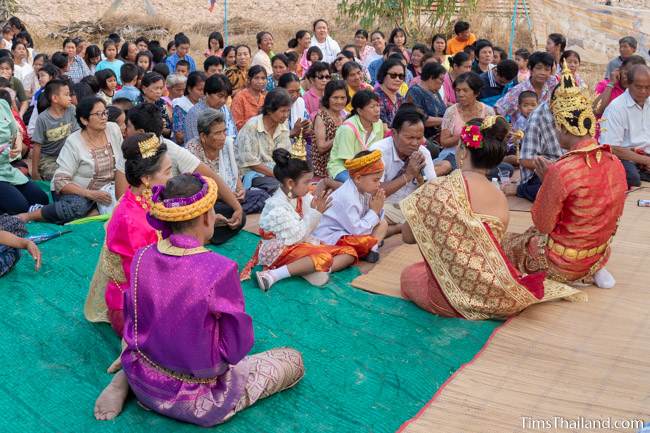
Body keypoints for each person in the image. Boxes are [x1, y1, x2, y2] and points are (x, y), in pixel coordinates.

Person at [94, 173, 304, 425]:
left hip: (144, 380)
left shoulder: (142, 257)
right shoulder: (220, 268)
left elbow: (134, 323)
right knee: (293, 359)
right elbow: (235, 348)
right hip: (197, 397)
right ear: (206, 217)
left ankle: (124, 379)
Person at [400, 115, 582, 319]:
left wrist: (424, 203)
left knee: (410, 274)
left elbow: (407, 237)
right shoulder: (500, 197)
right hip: (491, 294)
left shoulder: (437, 188)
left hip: (445, 298)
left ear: (462, 151)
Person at [503, 66, 627, 289]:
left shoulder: (563, 169)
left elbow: (542, 223)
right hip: (597, 251)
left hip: (560, 262)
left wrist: (547, 182)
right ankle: (594, 268)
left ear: (561, 126)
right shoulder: (614, 161)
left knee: (509, 243)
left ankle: (570, 274)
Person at [85, 133, 171, 334]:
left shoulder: (147, 198)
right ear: (146, 178)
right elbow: (142, 280)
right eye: (167, 172)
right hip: (132, 308)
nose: (171, 177)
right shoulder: (130, 219)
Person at [242, 148, 355, 289]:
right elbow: (297, 237)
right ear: (290, 183)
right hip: (280, 251)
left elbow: (309, 227)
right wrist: (315, 213)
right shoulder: (276, 206)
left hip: (300, 246)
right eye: (306, 182)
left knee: (349, 252)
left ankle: (310, 268)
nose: (310, 187)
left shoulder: (301, 196)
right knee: (324, 257)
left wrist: (316, 210)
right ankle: (273, 275)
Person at [20, 97, 122, 224]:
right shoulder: (74, 142)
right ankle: (31, 215)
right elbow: (61, 181)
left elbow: (123, 162)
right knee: (77, 207)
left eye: (105, 112)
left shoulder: (113, 129)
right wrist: (90, 194)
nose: (104, 117)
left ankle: (92, 211)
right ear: (84, 120)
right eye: (98, 114)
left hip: (108, 190)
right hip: (77, 191)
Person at [370, 106, 451, 234]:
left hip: (411, 208)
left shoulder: (423, 153)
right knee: (367, 221)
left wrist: (419, 177)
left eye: (419, 138)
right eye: (409, 138)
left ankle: (405, 227)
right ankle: (402, 228)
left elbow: (431, 191)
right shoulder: (378, 152)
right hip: (384, 206)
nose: (415, 143)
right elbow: (373, 192)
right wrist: (408, 176)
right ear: (394, 133)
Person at [188, 108, 268, 216]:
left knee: (262, 196)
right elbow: (198, 189)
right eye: (217, 133)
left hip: (232, 196)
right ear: (203, 136)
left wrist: (241, 190)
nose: (223, 137)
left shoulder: (228, 145)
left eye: (224, 131)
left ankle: (234, 212)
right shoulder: (192, 151)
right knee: (206, 211)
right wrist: (226, 196)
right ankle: (234, 212)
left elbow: (236, 174)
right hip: (211, 200)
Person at [313, 149, 388, 263]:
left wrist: (376, 209)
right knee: (351, 245)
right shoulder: (347, 197)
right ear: (358, 178)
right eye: (376, 180)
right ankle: (368, 248)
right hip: (333, 236)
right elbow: (357, 231)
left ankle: (372, 248)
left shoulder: (365, 190)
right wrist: (374, 212)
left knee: (383, 223)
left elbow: (370, 221)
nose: (379, 184)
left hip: (354, 230)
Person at [600, 65, 650, 188]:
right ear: (628, 84)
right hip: (624, 157)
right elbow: (611, 148)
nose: (643, 91)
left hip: (646, 155)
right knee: (632, 177)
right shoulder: (616, 108)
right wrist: (645, 161)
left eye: (648, 87)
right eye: (639, 87)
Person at [236, 88, 292, 192]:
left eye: (288, 111)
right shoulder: (252, 127)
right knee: (279, 187)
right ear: (270, 111)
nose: (286, 115)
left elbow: (285, 154)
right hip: (253, 173)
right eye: (282, 111)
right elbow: (251, 163)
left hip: (276, 172)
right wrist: (278, 176)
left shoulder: (283, 124)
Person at [0, 98, 48, 215]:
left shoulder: (2, 104)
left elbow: (15, 130)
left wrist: (17, 143)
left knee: (41, 199)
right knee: (19, 207)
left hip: (5, 167)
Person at [439, 72, 495, 168]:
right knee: (448, 167)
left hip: (480, 155)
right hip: (454, 154)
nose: (460, 94)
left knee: (506, 168)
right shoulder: (451, 112)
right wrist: (466, 135)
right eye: (458, 90)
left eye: (465, 90)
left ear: (476, 93)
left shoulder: (488, 111)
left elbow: (492, 140)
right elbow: (444, 142)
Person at [328, 90, 384, 182]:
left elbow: (377, 151)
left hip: (365, 167)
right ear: (359, 111)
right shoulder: (347, 128)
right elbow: (347, 162)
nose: (377, 110)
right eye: (372, 107)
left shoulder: (379, 123)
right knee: (360, 184)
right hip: (343, 168)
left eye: (377, 105)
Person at [31, 79, 79, 180]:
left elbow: (77, 134)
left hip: (68, 154)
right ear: (55, 98)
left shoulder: (71, 109)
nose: (70, 98)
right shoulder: (43, 119)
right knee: (60, 177)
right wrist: (34, 172)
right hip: (48, 158)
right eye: (66, 95)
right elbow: (37, 146)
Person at [495, 51, 557, 123]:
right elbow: (498, 110)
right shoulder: (518, 90)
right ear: (530, 69)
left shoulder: (553, 83)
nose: (542, 73)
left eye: (547, 69)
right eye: (538, 68)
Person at [184, 73, 236, 144]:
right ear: (207, 93)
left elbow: (234, 134)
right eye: (220, 96)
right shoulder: (195, 114)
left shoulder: (225, 110)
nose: (223, 100)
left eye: (226, 97)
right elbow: (193, 142)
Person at [312, 80, 349, 178]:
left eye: (342, 98)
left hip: (343, 162)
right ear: (328, 98)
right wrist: (340, 134)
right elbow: (321, 147)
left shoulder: (344, 116)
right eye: (335, 98)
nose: (339, 101)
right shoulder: (321, 117)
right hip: (325, 166)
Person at [405, 61, 447, 141]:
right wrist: (447, 120)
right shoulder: (414, 92)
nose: (442, 83)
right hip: (422, 138)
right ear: (431, 77)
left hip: (441, 135)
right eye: (441, 79)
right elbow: (421, 119)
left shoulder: (434, 92)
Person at [172, 70, 205, 144]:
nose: (203, 93)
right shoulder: (180, 104)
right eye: (199, 90)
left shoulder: (204, 104)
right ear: (189, 89)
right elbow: (179, 136)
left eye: (204, 90)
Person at [230, 65, 267, 130]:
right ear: (249, 80)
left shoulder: (265, 98)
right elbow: (236, 123)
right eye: (256, 78)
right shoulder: (240, 97)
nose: (260, 81)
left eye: (263, 78)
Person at [139, 72, 173, 139]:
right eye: (156, 88)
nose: (159, 92)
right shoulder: (138, 105)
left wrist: (162, 127)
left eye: (161, 88)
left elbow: (168, 129)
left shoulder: (161, 102)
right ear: (144, 89)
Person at [375, 58, 406, 127]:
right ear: (383, 75)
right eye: (393, 75)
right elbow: (383, 127)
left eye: (401, 76)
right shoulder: (375, 98)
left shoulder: (401, 99)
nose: (397, 79)